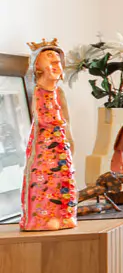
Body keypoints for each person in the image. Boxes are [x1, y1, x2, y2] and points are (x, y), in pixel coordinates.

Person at [20, 40, 76, 231]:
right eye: (49, 58)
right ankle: (43, 218)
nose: (55, 64)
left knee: (63, 178)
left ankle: (64, 215)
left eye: (57, 61)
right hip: (45, 145)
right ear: (38, 67)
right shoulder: (38, 91)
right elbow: (40, 117)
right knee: (45, 179)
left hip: (59, 143)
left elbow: (64, 118)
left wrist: (67, 136)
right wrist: (55, 122)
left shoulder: (58, 92)